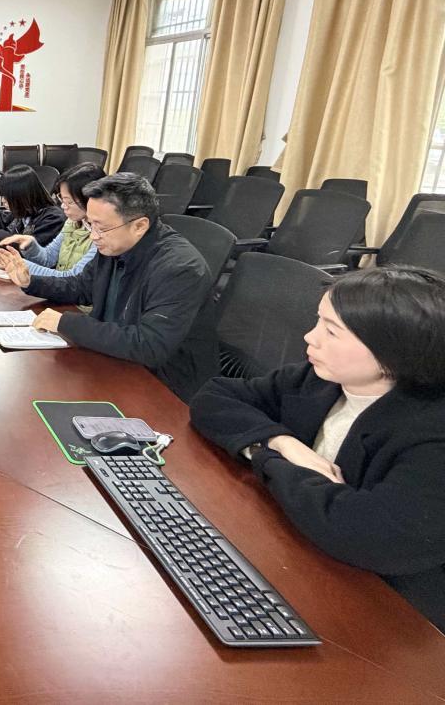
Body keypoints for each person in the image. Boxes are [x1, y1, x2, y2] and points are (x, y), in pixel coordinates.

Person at [189, 266, 445, 632]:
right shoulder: (321, 379)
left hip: (388, 612)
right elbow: (214, 397)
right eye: (318, 321)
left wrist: (266, 458)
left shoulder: (431, 431)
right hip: (301, 553)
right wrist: (283, 443)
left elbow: (370, 534)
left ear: (393, 353)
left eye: (331, 331)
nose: (310, 337)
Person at [0, 172, 217, 400]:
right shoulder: (116, 244)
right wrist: (31, 281)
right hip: (114, 360)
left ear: (139, 226)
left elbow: (149, 345)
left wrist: (66, 323)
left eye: (101, 227)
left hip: (165, 388)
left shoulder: (180, 268)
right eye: (90, 225)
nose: (93, 236)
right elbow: (80, 286)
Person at [2, 161, 101, 280]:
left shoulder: (101, 235)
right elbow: (48, 258)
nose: (63, 206)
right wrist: (30, 245)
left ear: (90, 200)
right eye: (62, 199)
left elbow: (71, 278)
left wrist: (19, 264)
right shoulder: (72, 222)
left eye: (69, 202)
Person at [0, 165, 64, 248]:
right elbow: (3, 220)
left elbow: (27, 248)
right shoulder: (25, 209)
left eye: (6, 197)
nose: (3, 201)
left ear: (20, 196)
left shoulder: (53, 219)